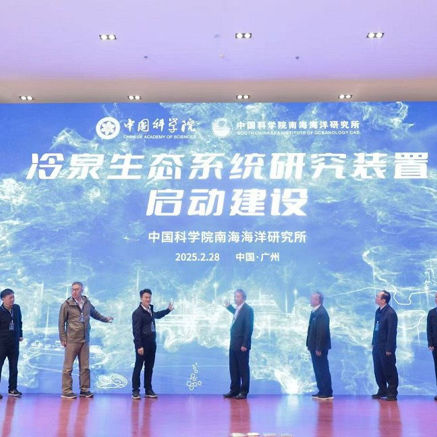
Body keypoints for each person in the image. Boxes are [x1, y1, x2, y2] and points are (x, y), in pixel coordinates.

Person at [58, 281, 113, 399]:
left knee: (85, 367)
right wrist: (63, 338)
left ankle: (84, 389)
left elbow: (95, 314)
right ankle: (66, 391)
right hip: (72, 340)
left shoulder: (87, 303)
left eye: (76, 289)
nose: (74, 291)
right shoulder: (66, 304)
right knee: (68, 368)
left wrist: (106, 319)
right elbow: (61, 323)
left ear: (82, 290)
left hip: (85, 339)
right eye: (72, 289)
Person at [131, 288, 173, 400]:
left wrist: (168, 310)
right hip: (142, 345)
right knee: (138, 367)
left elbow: (157, 315)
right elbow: (136, 331)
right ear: (141, 298)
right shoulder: (137, 313)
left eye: (149, 297)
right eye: (146, 297)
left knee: (149, 367)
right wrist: (139, 346)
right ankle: (135, 390)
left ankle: (148, 389)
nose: (148, 299)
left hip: (152, 344)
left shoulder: (150, 310)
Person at [223, 289, 254, 400]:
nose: (235, 298)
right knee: (233, 368)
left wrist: (245, 344)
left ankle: (244, 391)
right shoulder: (238, 309)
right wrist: (229, 307)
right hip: (233, 344)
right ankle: (234, 390)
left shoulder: (248, 310)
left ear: (243, 298)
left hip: (242, 345)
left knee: (243, 369)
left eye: (238, 296)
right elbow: (237, 315)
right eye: (235, 296)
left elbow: (248, 328)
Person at [371, 290, 399, 401]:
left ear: (383, 300)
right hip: (377, 346)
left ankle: (392, 392)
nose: (376, 298)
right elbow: (376, 328)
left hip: (386, 347)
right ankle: (382, 389)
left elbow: (392, 332)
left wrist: (389, 348)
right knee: (378, 369)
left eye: (377, 296)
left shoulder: (390, 313)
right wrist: (373, 342)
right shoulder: (378, 311)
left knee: (389, 369)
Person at [306, 291, 333, 400]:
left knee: (322, 369)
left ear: (318, 300)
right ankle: (321, 390)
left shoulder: (322, 313)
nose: (310, 300)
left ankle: (327, 392)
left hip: (319, 348)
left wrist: (319, 348)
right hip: (314, 346)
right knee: (318, 369)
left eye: (312, 298)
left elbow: (322, 332)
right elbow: (311, 330)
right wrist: (309, 344)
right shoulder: (314, 312)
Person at [0, 289, 23, 399]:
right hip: (2, 344)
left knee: (14, 367)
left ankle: (12, 389)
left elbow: (19, 322)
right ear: (3, 299)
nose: (12, 300)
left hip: (14, 343)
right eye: (10, 298)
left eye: (13, 297)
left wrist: (20, 334)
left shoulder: (17, 308)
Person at [426, 292, 437, 401]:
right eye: (436, 297)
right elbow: (429, 329)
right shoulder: (432, 313)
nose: (436, 299)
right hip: (436, 346)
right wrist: (430, 343)